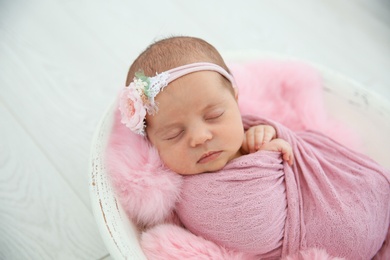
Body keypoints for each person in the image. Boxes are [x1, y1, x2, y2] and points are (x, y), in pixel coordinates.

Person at [118, 36, 390, 259]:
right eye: (174, 134)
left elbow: (298, 149)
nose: (200, 137)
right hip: (334, 237)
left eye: (214, 116)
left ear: (236, 100)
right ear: (151, 142)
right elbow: (256, 231)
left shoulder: (249, 131)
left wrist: (268, 137)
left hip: (352, 197)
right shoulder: (189, 197)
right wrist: (268, 156)